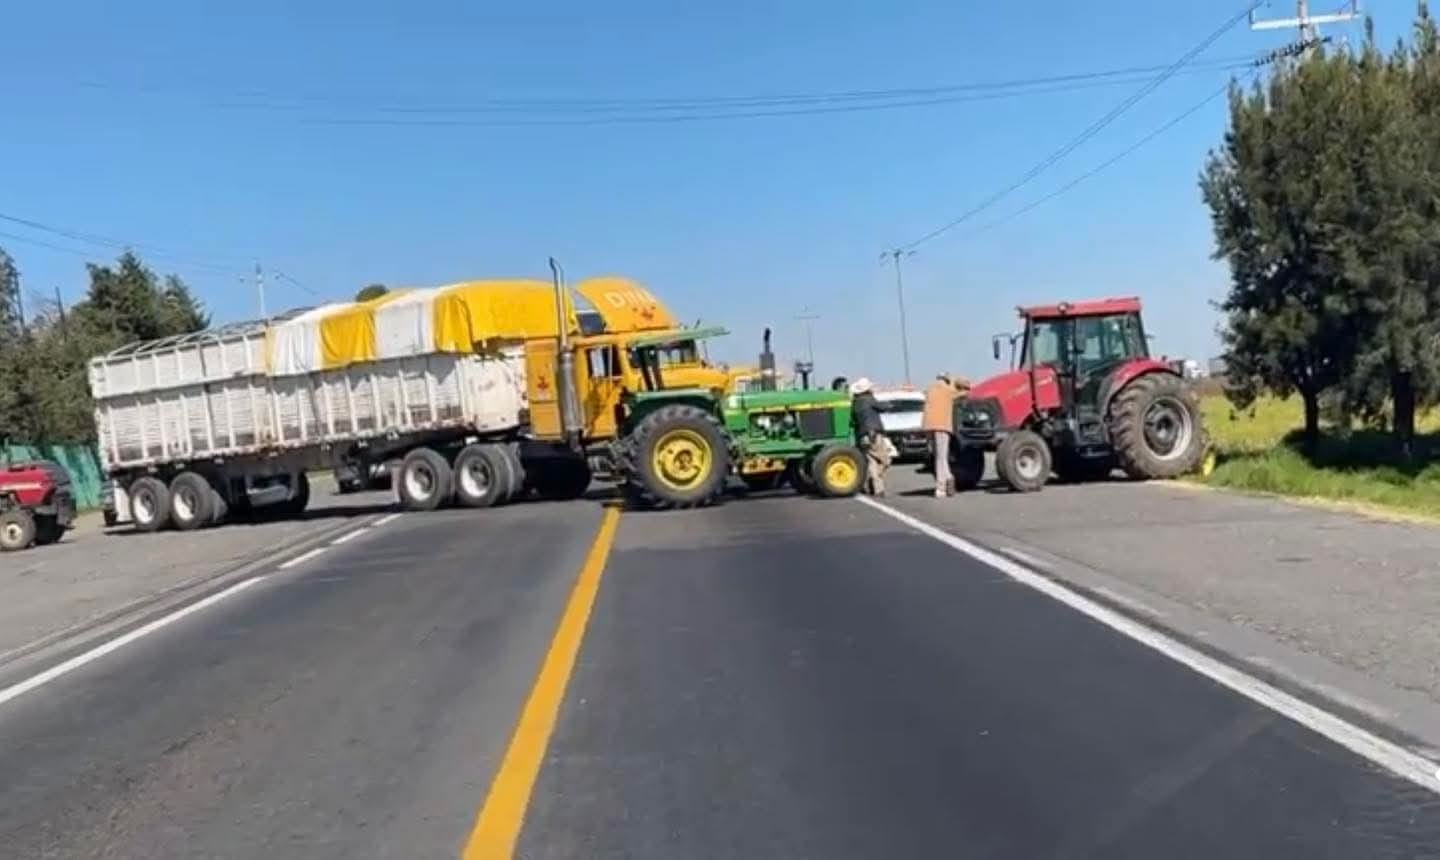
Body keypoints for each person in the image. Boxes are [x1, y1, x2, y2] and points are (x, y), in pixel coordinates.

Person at [849, 377, 890, 497]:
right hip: (874, 434)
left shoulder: (855, 404)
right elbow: (883, 407)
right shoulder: (869, 399)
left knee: (872, 461)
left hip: (862, 435)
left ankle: (877, 487)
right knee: (885, 460)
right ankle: (876, 482)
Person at [922, 372, 959, 498]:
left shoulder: (929, 389)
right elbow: (964, 390)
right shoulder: (948, 390)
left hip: (929, 426)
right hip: (942, 426)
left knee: (938, 456)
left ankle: (949, 479)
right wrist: (953, 381)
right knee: (941, 458)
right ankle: (941, 487)